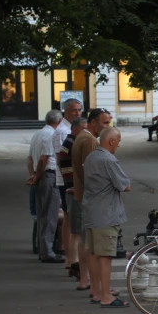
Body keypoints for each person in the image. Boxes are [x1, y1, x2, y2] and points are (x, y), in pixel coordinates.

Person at [83, 127, 131, 308]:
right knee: (106, 256)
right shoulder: (109, 160)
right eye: (118, 141)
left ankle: (96, 291)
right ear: (111, 141)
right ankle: (106, 296)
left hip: (91, 212)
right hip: (107, 214)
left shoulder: (91, 157)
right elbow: (125, 185)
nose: (118, 144)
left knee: (94, 254)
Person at [72, 108, 113, 302]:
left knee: (87, 241)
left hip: (84, 196)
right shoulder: (89, 140)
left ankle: (92, 284)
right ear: (93, 123)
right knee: (94, 247)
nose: (108, 127)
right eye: (105, 123)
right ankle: (96, 287)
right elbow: (92, 173)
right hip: (91, 199)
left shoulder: (83, 137)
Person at [27, 109, 64, 263]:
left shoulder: (37, 134)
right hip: (48, 174)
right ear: (59, 121)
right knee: (50, 214)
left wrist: (33, 175)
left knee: (43, 214)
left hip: (41, 175)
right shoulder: (51, 135)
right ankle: (48, 251)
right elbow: (44, 159)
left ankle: (43, 249)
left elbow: (30, 159)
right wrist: (37, 176)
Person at [53, 98, 83, 269]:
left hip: (68, 178)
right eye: (74, 110)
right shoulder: (63, 132)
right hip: (66, 179)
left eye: (79, 110)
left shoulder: (70, 129)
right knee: (69, 218)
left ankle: (69, 255)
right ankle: (70, 256)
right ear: (65, 111)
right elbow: (61, 158)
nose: (77, 113)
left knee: (69, 217)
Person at [59, 116, 88, 286]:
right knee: (76, 230)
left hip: (70, 188)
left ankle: (71, 261)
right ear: (75, 129)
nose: (85, 132)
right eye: (83, 129)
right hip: (73, 190)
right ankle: (74, 261)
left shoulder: (71, 142)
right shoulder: (71, 143)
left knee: (73, 226)